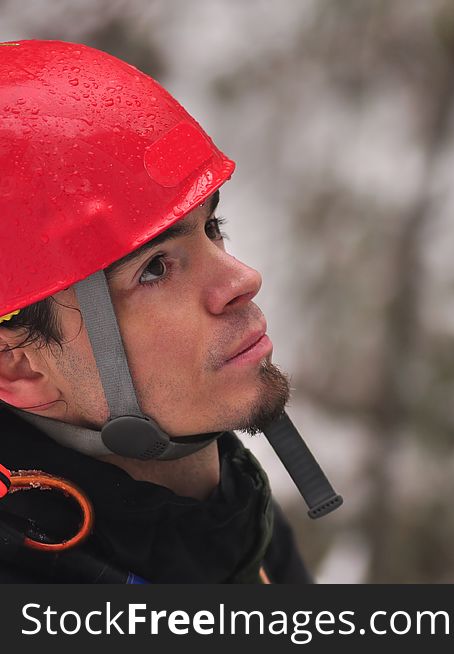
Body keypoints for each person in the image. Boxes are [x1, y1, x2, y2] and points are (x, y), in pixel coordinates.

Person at [0, 40, 332, 583]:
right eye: (154, 268)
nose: (243, 280)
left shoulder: (232, 514)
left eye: (212, 228)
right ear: (20, 366)